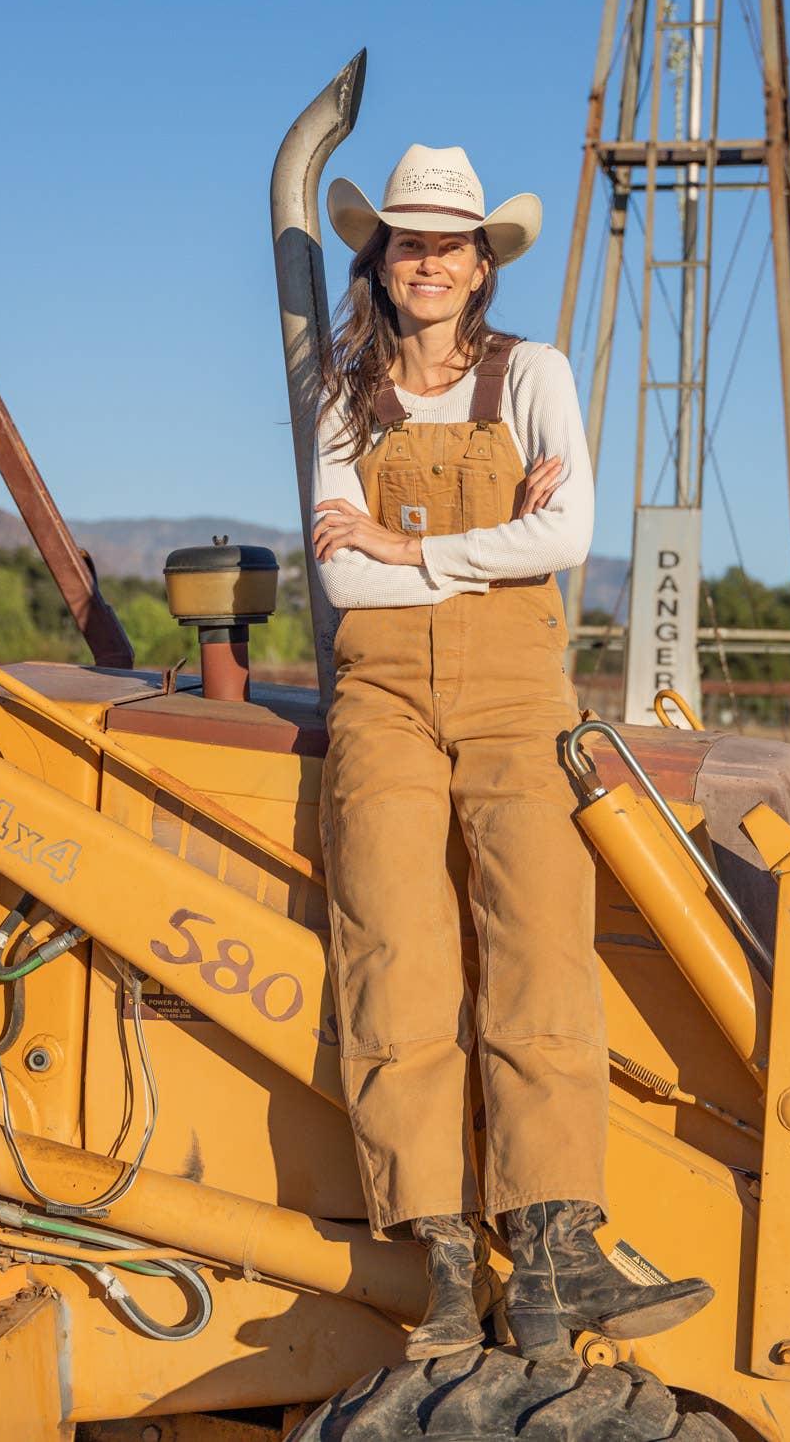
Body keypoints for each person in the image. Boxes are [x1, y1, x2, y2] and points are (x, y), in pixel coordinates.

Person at [312, 144, 712, 1362]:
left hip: (510, 688)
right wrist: (471, 542)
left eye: (450, 241)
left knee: (538, 945)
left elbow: (569, 531)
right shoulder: (342, 395)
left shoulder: (532, 372)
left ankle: (549, 1255)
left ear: (483, 263)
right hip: (378, 693)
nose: (428, 261)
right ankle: (438, 1265)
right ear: (379, 260)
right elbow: (333, 566)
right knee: (397, 953)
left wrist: (405, 546)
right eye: (407, 240)